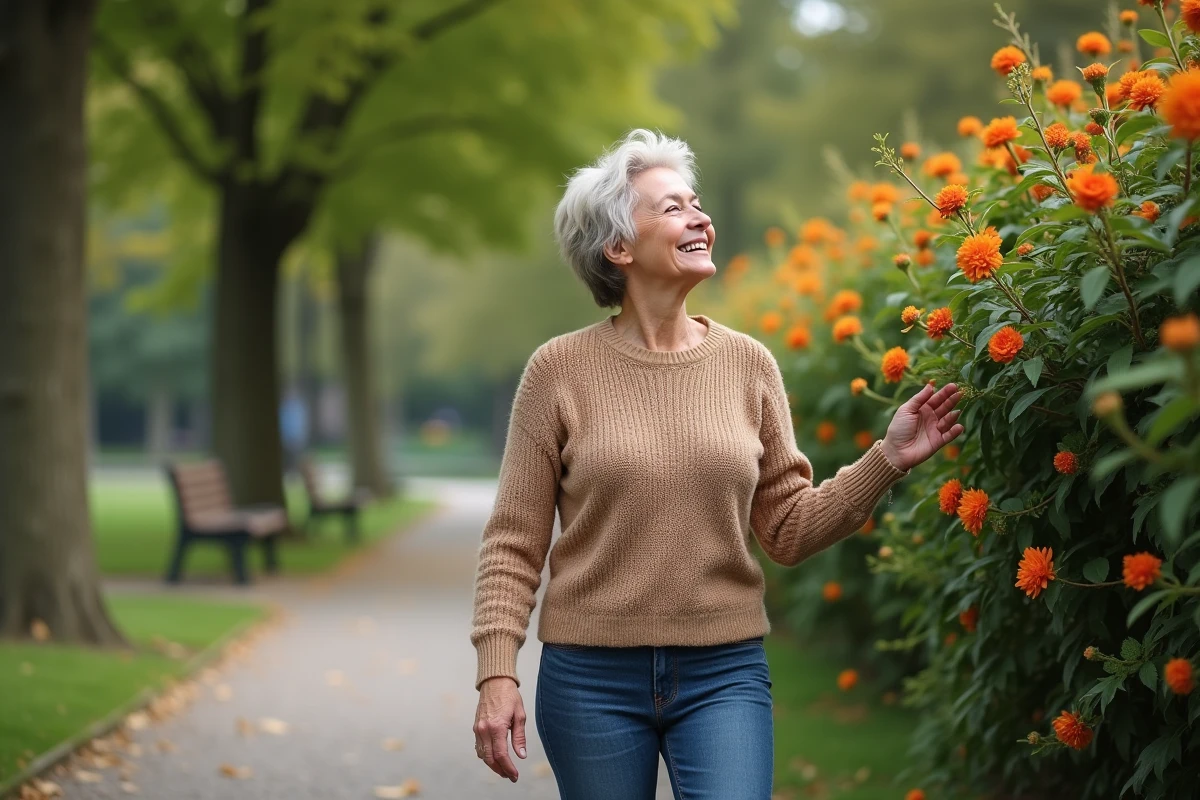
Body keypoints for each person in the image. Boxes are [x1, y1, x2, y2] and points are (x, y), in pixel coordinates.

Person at [468, 129, 964, 799]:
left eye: (696, 203)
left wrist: (888, 459)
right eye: (672, 207)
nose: (700, 218)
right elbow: (513, 542)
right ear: (618, 247)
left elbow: (786, 528)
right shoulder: (558, 371)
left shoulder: (748, 363)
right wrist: (497, 673)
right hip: (590, 679)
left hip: (723, 673)